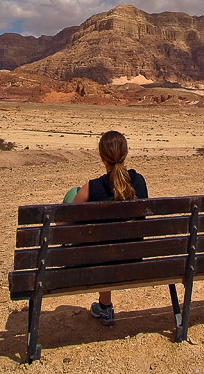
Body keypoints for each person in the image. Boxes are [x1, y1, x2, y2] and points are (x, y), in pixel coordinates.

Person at [71, 130, 148, 325]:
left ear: (101, 156)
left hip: (102, 259)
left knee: (103, 248)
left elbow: (62, 221)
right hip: (134, 256)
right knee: (110, 245)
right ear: (127, 152)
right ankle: (104, 307)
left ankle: (105, 307)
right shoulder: (139, 181)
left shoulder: (92, 187)